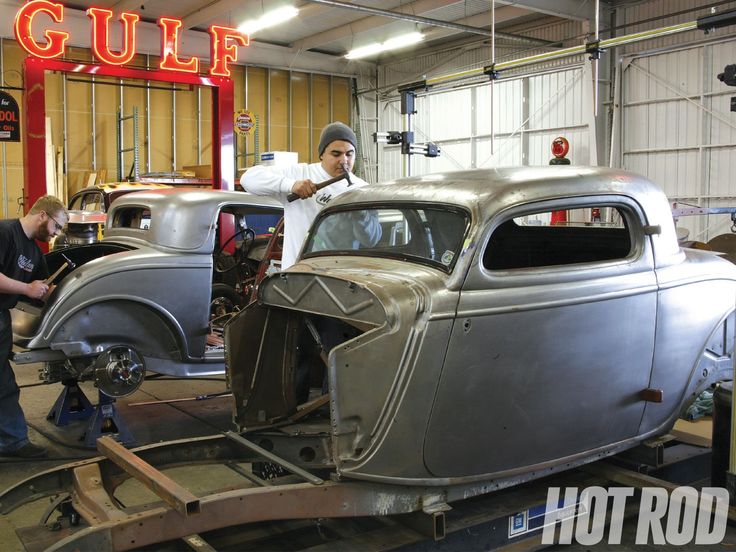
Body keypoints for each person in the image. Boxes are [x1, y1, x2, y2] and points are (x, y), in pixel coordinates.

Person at [241, 121, 374, 269]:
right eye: (336, 154)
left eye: (350, 154)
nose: (344, 160)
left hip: (341, 277)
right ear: (322, 154)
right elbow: (248, 179)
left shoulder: (362, 189)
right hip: (298, 275)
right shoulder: (301, 173)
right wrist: (291, 185)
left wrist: (363, 218)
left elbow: (371, 240)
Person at [0, 194, 68, 458]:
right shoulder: (5, 232)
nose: (55, 234)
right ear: (43, 215)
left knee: (3, 382)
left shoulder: (34, 252)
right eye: (57, 227)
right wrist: (27, 289)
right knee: (3, 384)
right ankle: (13, 442)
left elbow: (44, 287)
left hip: (2, 318)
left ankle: (11, 440)